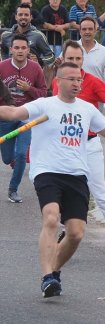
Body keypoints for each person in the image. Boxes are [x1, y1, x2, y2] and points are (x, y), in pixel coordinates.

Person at [0, 62, 105, 298]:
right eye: (72, 79)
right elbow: (13, 112)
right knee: (52, 217)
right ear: (59, 81)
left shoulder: (87, 109)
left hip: (76, 173)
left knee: (76, 233)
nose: (77, 83)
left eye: (79, 80)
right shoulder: (45, 104)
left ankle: (54, 270)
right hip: (47, 171)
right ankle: (47, 277)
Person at [52, 40, 105, 261]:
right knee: (65, 192)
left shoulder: (92, 81)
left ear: (83, 60)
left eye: (78, 59)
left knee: (100, 193)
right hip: (65, 146)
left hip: (90, 145)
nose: (74, 63)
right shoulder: (58, 83)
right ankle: (67, 234)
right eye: (70, 59)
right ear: (63, 59)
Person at [0, 35, 47, 204]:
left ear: (28, 50)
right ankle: (13, 162)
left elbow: (43, 94)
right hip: (5, 117)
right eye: (16, 48)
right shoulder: (2, 67)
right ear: (11, 50)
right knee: (7, 158)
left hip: (27, 117)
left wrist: (29, 89)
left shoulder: (35, 69)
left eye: (23, 48)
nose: (20, 51)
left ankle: (13, 190)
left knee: (21, 154)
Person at [1, 4, 56, 68]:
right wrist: (5, 65)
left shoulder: (38, 35)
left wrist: (39, 61)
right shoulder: (5, 35)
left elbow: (51, 56)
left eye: (26, 15)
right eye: (20, 14)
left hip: (31, 74)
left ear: (30, 17)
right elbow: (3, 51)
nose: (23, 17)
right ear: (16, 17)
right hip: (11, 74)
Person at [77, 16, 105, 91]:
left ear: (95, 30)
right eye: (84, 29)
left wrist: (102, 90)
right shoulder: (72, 48)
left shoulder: (104, 51)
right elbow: (60, 67)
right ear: (80, 31)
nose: (87, 32)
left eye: (90, 29)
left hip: (95, 98)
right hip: (75, 97)